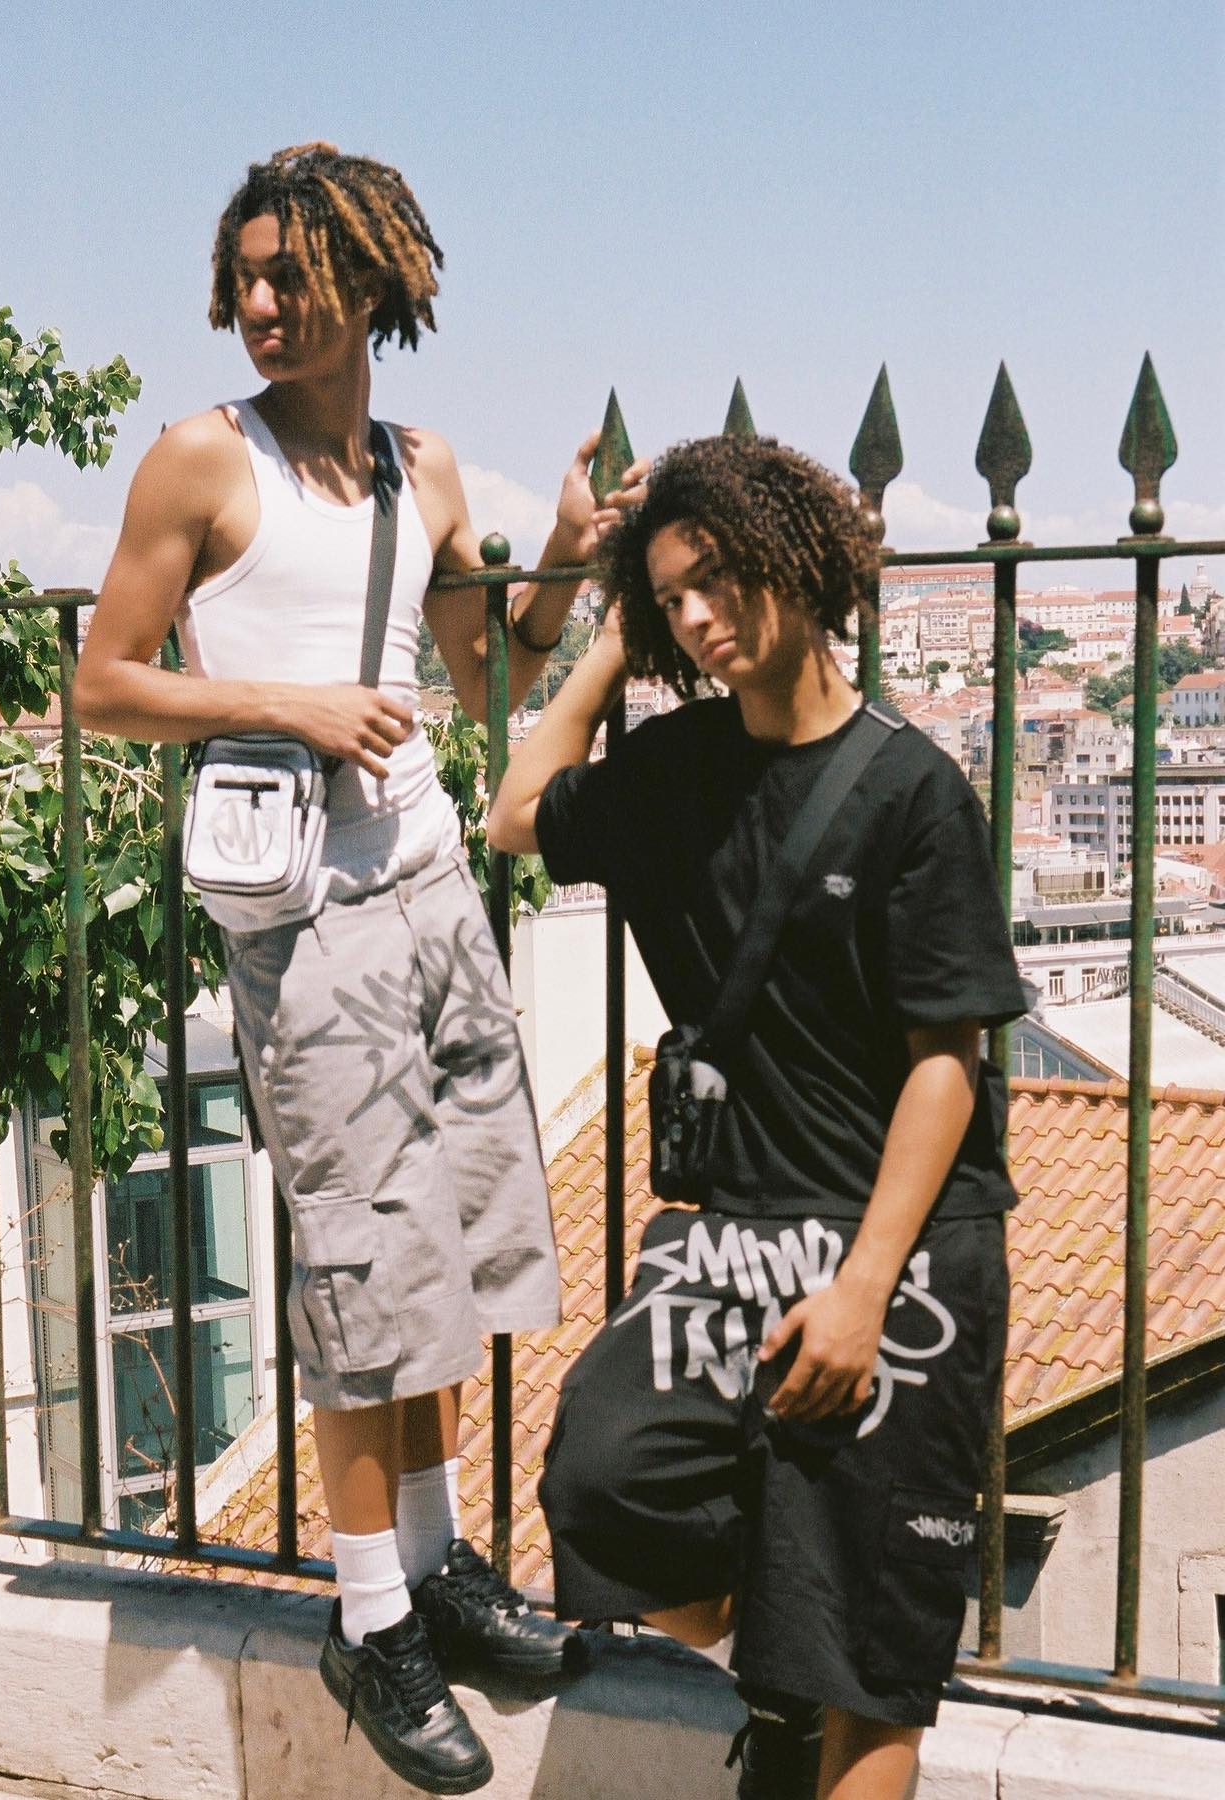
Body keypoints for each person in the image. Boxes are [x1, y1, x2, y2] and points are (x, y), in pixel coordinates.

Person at [76, 143, 636, 1796]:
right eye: (244, 276)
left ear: (368, 283)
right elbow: (103, 682)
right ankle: (372, 1615)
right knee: (355, 1259)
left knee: (445, 1239)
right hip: (305, 923)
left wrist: (560, 557)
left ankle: (443, 1567)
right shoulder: (202, 460)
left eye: (289, 275)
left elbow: (489, 681)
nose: (259, 302)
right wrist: (290, 703)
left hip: (436, 893)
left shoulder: (423, 468)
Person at [487, 435, 1026, 1800]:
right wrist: (611, 637)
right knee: (601, 1481)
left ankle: (806, 1684)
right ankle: (774, 1675)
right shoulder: (677, 769)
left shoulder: (913, 791)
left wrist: (863, 1290)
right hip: (736, 1236)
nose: (698, 616)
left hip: (905, 1249)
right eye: (672, 596)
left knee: (870, 1672)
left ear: (796, 559)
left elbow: (949, 1063)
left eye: (716, 578)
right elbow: (514, 814)